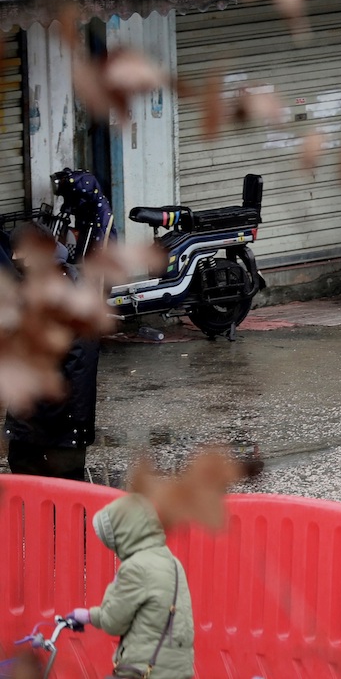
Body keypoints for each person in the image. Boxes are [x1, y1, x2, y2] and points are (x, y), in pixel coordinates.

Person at [3, 222, 100, 480]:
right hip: (35, 415)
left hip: (58, 421)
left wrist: (69, 423)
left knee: (64, 489)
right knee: (24, 471)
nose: (14, 258)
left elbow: (80, 364)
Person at [69, 493, 196, 679]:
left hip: (146, 670)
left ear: (124, 534)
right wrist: (90, 616)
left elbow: (113, 623)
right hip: (179, 669)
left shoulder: (135, 567)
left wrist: (114, 585)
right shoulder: (172, 561)